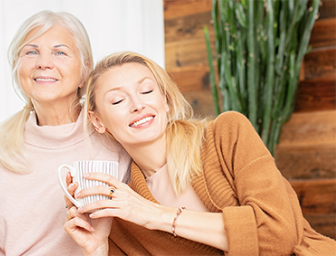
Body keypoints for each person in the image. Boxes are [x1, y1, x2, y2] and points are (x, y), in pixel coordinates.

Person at [63, 51, 336, 255]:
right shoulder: (124, 213)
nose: (137, 105)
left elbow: (278, 236)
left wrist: (156, 215)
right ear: (97, 121)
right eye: (118, 100)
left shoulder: (226, 134)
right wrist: (98, 247)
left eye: (147, 90)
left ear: (165, 100)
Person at [0, 11, 131, 256]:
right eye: (31, 52)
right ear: (17, 67)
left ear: (85, 71)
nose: (43, 63)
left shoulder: (116, 139)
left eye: (60, 52)